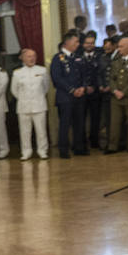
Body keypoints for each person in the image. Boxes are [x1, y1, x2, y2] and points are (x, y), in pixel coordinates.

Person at [50, 31, 84, 159]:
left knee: (79, 123)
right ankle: (63, 150)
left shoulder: (77, 57)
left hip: (79, 96)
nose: (78, 44)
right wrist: (72, 90)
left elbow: (82, 74)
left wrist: (82, 88)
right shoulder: (58, 58)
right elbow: (57, 78)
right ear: (67, 42)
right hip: (65, 98)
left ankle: (79, 148)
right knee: (65, 124)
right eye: (75, 41)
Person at [11, 49, 51, 160]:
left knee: (41, 130)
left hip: (39, 105)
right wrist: (25, 99)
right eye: (28, 56)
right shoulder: (17, 72)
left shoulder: (42, 70)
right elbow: (14, 90)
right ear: (22, 58)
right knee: (24, 131)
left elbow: (45, 87)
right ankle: (26, 151)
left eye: (33, 56)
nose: (31, 58)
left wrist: (37, 97)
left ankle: (42, 151)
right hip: (23, 106)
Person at [80, 31, 108, 153]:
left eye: (92, 43)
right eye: (87, 43)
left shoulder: (100, 54)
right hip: (82, 92)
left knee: (96, 118)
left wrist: (97, 86)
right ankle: (81, 142)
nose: (90, 45)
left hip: (97, 92)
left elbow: (102, 73)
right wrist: (85, 87)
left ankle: (94, 141)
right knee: (81, 118)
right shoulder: (77, 55)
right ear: (83, 44)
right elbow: (77, 75)